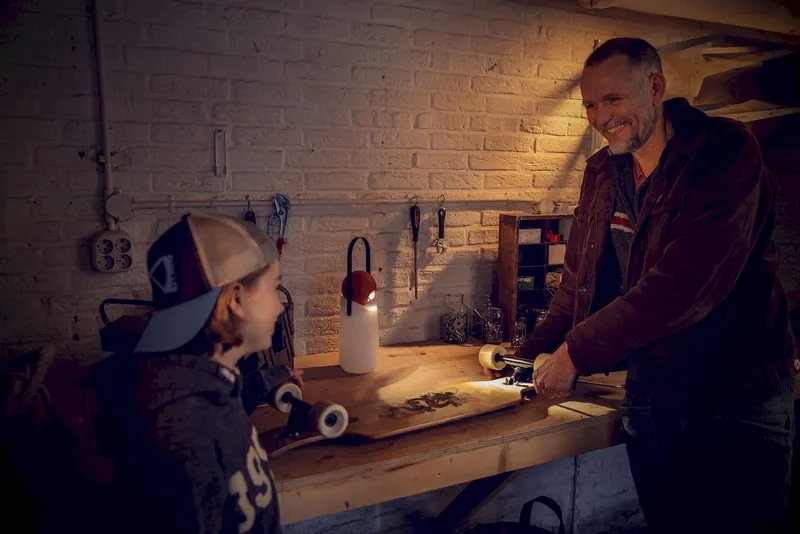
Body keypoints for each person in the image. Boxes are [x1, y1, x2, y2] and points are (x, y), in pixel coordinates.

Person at [518, 37, 797, 533]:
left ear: (655, 87)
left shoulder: (724, 152)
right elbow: (578, 282)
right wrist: (528, 356)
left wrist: (576, 352)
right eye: (590, 105)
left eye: (613, 99)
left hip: (736, 401)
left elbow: (684, 285)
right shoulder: (603, 171)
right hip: (657, 402)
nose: (601, 117)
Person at [91, 213, 298, 534]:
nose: (279, 306)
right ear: (236, 300)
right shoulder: (183, 437)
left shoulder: (201, 383)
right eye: (274, 288)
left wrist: (268, 381)